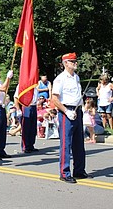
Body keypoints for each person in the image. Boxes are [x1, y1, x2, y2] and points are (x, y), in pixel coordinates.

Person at [52, 52, 92, 184]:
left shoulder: (76, 77)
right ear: (65, 63)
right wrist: (66, 111)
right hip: (66, 113)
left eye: (75, 61)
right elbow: (55, 99)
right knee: (66, 143)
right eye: (72, 61)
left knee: (78, 143)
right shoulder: (60, 79)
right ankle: (65, 172)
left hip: (77, 111)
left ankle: (79, 170)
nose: (75, 63)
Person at [14, 85, 39, 152]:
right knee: (26, 127)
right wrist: (18, 109)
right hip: (26, 106)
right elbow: (16, 97)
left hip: (34, 106)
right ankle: (25, 146)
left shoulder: (35, 85)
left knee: (33, 127)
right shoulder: (22, 84)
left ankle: (31, 145)